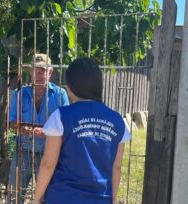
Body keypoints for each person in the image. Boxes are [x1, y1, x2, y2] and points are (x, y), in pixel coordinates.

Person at [34, 58, 131, 204]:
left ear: (70, 87)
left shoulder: (60, 116)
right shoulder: (118, 121)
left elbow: (48, 164)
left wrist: (37, 198)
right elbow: (116, 167)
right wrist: (114, 199)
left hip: (62, 197)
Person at [8, 53, 69, 202]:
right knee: (14, 194)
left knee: (48, 196)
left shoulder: (60, 95)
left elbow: (67, 126)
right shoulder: (19, 93)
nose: (39, 74)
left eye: (43, 70)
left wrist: (48, 133)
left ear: (50, 72)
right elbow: (11, 123)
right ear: (30, 72)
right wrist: (23, 129)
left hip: (50, 152)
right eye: (36, 70)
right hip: (23, 150)